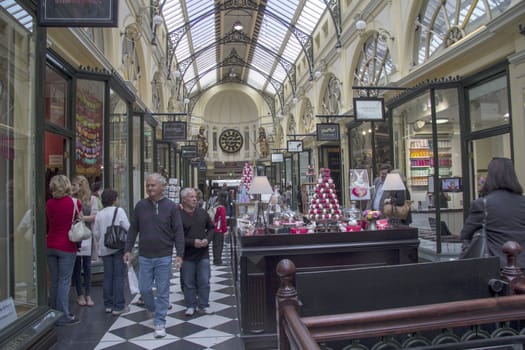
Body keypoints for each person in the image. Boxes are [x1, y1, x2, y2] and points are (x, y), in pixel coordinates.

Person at [124, 173, 185, 339]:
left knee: (163, 290)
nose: (150, 188)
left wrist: (179, 254)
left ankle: (160, 321)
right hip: (144, 255)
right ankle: (154, 309)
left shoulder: (171, 207)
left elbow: (178, 231)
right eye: (148, 185)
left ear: (162, 187)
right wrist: (128, 249)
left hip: (164, 255)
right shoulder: (140, 206)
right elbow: (133, 229)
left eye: (153, 185)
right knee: (144, 289)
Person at [460, 157, 525, 268]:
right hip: (522, 265)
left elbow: (466, 234)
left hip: (495, 266)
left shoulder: (482, 204)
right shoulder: (522, 202)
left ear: (490, 177)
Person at [46, 175, 81, 326]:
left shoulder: (48, 204)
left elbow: (48, 224)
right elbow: (78, 221)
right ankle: (63, 315)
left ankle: (53, 313)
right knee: (64, 282)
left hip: (50, 243)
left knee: (54, 280)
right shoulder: (74, 203)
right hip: (67, 245)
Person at [92, 189, 130, 315]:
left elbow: (96, 233)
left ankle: (108, 304)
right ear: (114, 200)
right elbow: (127, 227)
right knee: (119, 277)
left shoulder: (99, 214)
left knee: (108, 276)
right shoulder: (119, 211)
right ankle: (119, 305)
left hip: (104, 248)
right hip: (118, 247)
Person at [179, 187, 214, 316]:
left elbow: (211, 228)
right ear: (183, 200)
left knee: (204, 280)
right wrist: (192, 242)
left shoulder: (202, 213)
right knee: (188, 282)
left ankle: (204, 304)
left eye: (195, 197)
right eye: (191, 197)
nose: (194, 199)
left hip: (203, 254)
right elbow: (178, 237)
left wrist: (207, 239)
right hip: (187, 255)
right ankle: (190, 305)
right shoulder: (179, 216)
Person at [71, 175, 99, 307]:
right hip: (76, 236)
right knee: (77, 267)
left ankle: (88, 294)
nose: (73, 187)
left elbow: (95, 216)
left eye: (75, 184)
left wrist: (83, 218)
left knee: (87, 266)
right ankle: (80, 295)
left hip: (87, 235)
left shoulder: (92, 199)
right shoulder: (71, 199)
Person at [211, 191, 228, 266]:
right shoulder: (222, 208)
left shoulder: (216, 205)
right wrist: (225, 230)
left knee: (215, 245)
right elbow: (223, 220)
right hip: (219, 229)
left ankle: (215, 259)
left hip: (214, 228)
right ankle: (218, 260)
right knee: (219, 245)